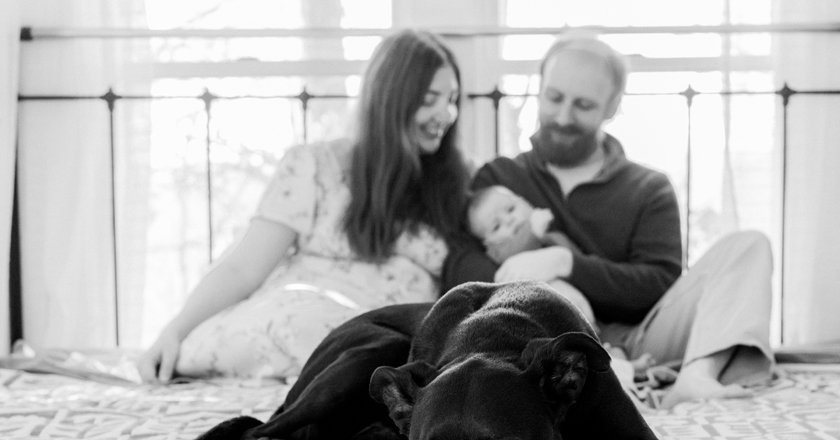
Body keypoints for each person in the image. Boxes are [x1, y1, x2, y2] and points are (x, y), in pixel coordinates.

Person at [442, 31, 776, 409]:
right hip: (541, 341)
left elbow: (657, 285)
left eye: (583, 104)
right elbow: (459, 266)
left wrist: (566, 263)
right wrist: (545, 285)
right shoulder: (500, 181)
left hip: (640, 338)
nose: (563, 117)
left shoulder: (649, 188)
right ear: (539, 90)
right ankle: (595, 379)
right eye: (554, 98)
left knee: (750, 245)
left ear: (612, 106)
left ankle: (698, 375)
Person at [139, 29, 469, 383]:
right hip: (299, 319)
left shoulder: (462, 184)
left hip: (384, 338)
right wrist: (174, 330)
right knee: (299, 319)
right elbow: (243, 268)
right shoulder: (315, 165)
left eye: (452, 100)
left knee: (370, 345)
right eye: (430, 99)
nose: (446, 114)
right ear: (390, 101)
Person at [467, 184, 594, 321]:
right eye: (496, 227)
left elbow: (582, 265)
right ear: (488, 245)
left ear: (524, 202)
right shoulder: (500, 254)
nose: (509, 220)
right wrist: (533, 232)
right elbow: (510, 252)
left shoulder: (553, 236)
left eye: (510, 209)